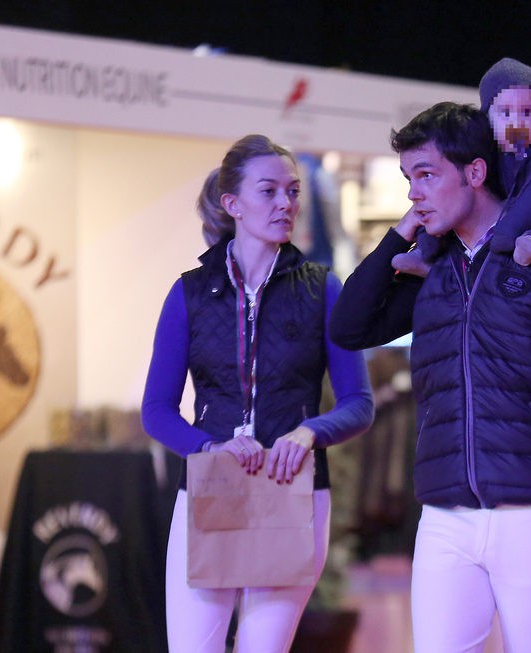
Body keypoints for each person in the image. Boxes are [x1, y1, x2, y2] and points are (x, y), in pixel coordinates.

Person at [329, 103, 531, 652]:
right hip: (445, 516)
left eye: (426, 175)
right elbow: (349, 325)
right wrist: (399, 235)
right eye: (409, 178)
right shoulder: (433, 266)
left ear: (475, 172)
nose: (414, 192)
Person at [141, 134, 374, 653]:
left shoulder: (322, 289)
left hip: (293, 491)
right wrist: (208, 446)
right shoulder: (190, 293)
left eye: (292, 192)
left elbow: (359, 403)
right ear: (233, 204)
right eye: (268, 192)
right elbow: (156, 410)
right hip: (209, 488)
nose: (286, 204)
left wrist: (311, 431)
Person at [392, 57, 531, 276]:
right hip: (505, 226)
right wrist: (426, 240)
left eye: (527, 112)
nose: (516, 122)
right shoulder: (485, 154)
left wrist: (506, 235)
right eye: (505, 113)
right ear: (487, 117)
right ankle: (426, 254)